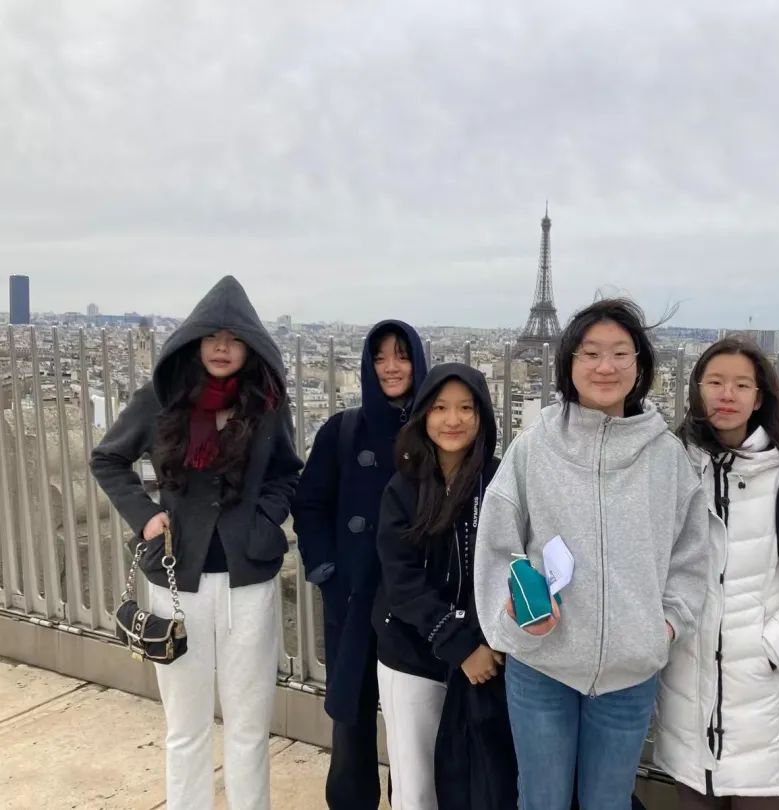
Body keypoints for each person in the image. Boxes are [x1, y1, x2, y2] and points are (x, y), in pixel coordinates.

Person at [474, 297, 710, 810]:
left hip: (630, 670)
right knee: (542, 800)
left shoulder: (666, 457)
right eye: (591, 353)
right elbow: (497, 543)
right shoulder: (534, 446)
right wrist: (514, 618)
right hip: (542, 662)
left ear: (640, 365)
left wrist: (664, 627)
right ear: (569, 363)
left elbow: (692, 555)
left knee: (608, 801)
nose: (606, 366)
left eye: (621, 353)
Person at [91, 275, 302, 810]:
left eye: (234, 339)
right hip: (176, 579)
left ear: (251, 346)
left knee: (249, 726)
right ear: (194, 340)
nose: (223, 347)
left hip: (247, 580)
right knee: (185, 727)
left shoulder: (267, 404)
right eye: (213, 336)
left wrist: (264, 519)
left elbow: (287, 473)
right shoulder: (160, 400)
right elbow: (108, 458)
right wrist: (146, 517)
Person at [654, 335, 779, 809]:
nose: (727, 394)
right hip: (688, 708)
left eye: (742, 385)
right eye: (715, 382)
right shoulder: (668, 468)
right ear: (697, 389)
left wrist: (771, 649)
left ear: (759, 398)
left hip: (766, 712)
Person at [291, 319, 427, 809]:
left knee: (414, 723)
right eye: (380, 357)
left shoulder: (436, 430)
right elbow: (309, 504)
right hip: (353, 595)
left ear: (418, 361)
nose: (391, 367)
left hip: (412, 600)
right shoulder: (343, 431)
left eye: (402, 355)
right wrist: (326, 572)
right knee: (351, 720)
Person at [373, 363, 515, 810]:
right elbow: (401, 580)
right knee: (416, 787)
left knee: (477, 782)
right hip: (414, 653)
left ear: (482, 416)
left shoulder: (500, 483)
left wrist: (485, 643)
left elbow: (510, 566)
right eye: (439, 408)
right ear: (423, 415)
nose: (453, 420)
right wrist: (459, 644)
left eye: (466, 408)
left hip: (483, 658)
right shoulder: (403, 487)